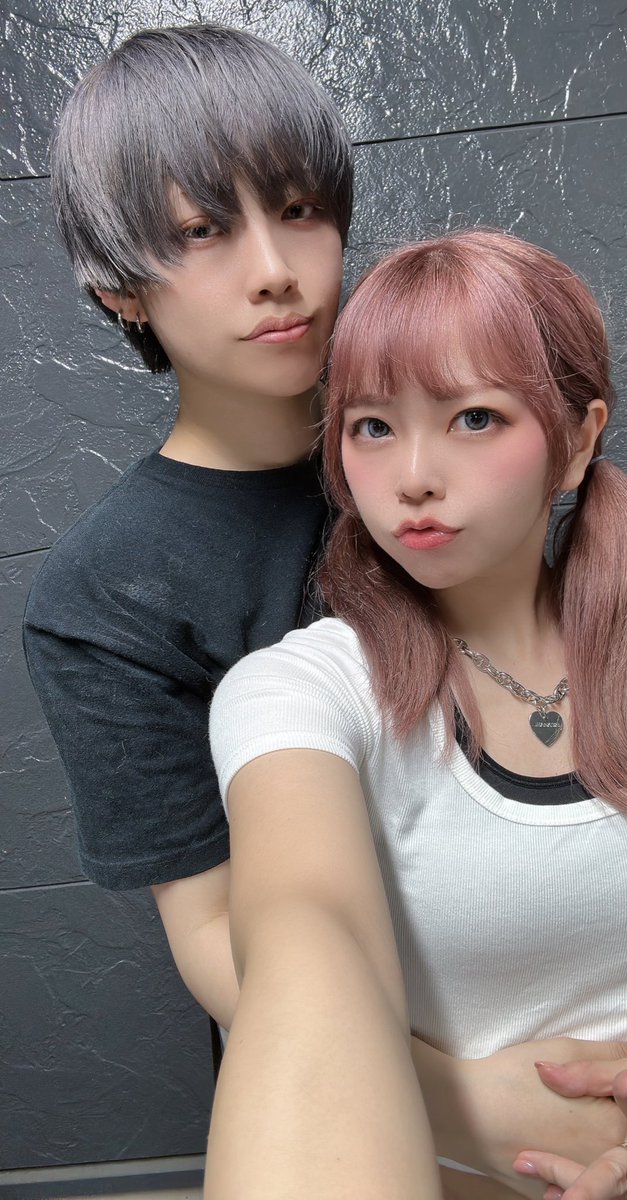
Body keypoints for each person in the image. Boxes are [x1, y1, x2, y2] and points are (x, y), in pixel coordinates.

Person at [206, 229, 627, 1198]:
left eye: (473, 417)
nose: (413, 475)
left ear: (577, 440)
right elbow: (304, 928)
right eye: (371, 427)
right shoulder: (303, 691)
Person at [22, 22, 351, 1031]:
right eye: (203, 231)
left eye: (298, 209)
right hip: (338, 1060)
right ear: (120, 290)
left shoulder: (463, 448)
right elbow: (212, 930)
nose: (274, 269)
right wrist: (470, 1093)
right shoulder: (103, 597)